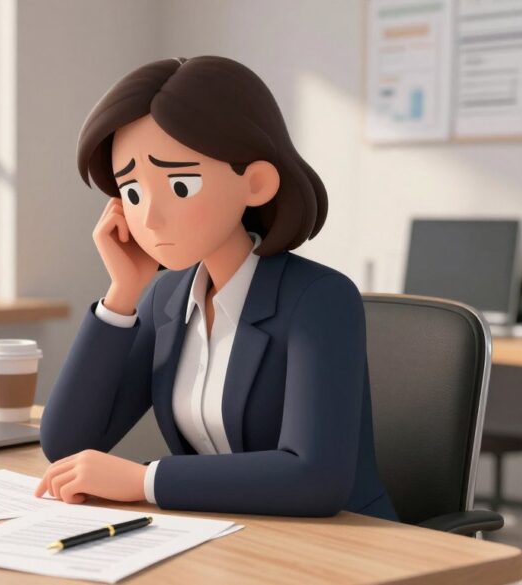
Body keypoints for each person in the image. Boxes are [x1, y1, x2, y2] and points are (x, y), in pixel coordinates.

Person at [35, 56, 397, 520]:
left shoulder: (320, 300)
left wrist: (144, 481)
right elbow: (68, 445)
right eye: (133, 192)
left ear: (257, 183)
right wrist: (122, 293)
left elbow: (317, 478)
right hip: (227, 537)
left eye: (180, 185)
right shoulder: (166, 300)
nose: (150, 217)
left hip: (344, 545)